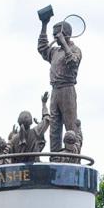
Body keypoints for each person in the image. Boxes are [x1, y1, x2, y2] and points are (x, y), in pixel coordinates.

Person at [38, 18, 82, 155]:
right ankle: (55, 157)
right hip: (55, 91)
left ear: (65, 34)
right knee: (54, 128)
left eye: (57, 34)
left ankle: (73, 155)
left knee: (71, 126)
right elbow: (43, 48)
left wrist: (63, 43)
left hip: (67, 90)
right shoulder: (55, 52)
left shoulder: (75, 50)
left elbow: (73, 62)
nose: (55, 38)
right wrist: (44, 25)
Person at [9, 92, 51, 163]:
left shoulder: (14, 139)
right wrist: (44, 104)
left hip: (19, 171)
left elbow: (11, 158)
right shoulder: (36, 131)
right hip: (35, 167)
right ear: (31, 122)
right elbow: (47, 120)